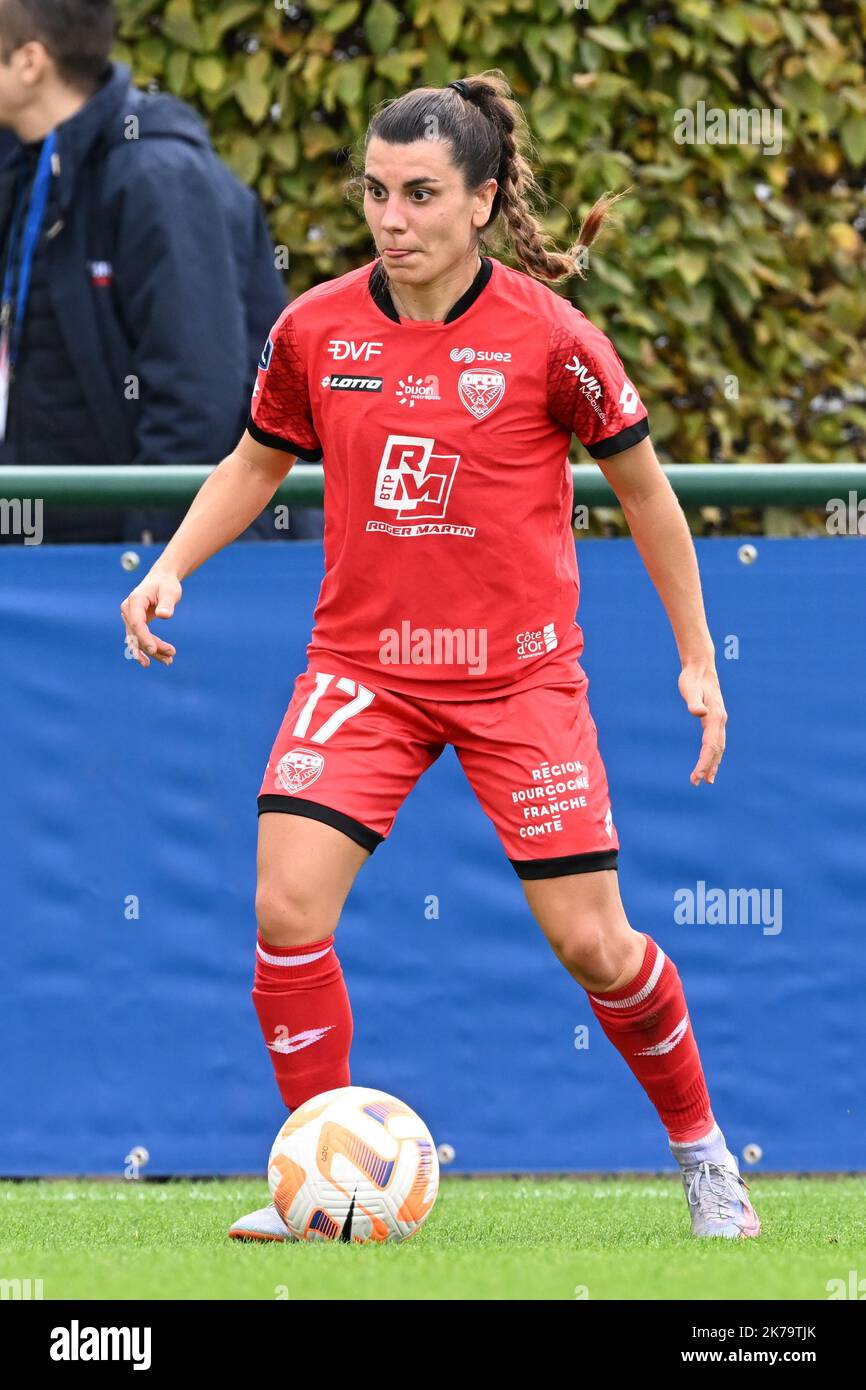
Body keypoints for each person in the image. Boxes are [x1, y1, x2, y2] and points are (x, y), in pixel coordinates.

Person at [120, 71, 761, 1243]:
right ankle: (324, 1181)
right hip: (362, 671)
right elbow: (256, 460)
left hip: (517, 677)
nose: (390, 217)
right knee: (284, 905)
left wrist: (695, 657)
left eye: (419, 194)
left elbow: (649, 498)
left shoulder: (553, 338)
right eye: (374, 192)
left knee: (592, 943)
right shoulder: (314, 327)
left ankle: (704, 1154)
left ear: (480, 201)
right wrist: (171, 565)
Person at [0, 0, 290, 543]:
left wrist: (152, 558)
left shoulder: (157, 178)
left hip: (136, 571)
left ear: (30, 63)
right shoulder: (28, 165)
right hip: (44, 557)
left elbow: (195, 399)